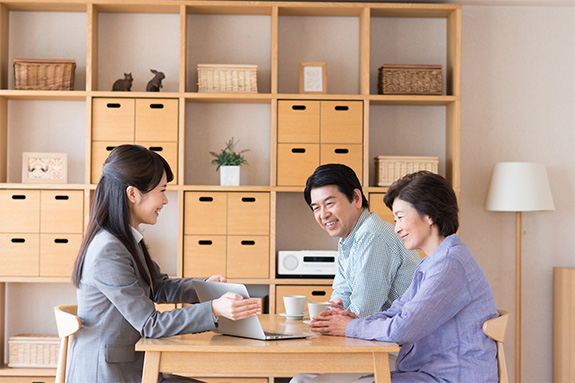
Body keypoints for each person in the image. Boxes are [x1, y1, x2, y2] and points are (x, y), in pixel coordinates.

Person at [69, 145, 261, 383]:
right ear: (133, 194)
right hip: (109, 375)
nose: (165, 200)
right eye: (162, 190)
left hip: (134, 366)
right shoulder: (108, 250)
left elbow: (158, 287)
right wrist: (213, 309)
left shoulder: (125, 240)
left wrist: (204, 287)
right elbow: (150, 324)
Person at [292, 171, 499, 383]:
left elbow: (403, 328)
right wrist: (356, 321)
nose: (397, 228)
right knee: (305, 380)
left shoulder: (450, 264)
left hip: (450, 377)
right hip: (423, 372)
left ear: (430, 215)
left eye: (400, 217)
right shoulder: (431, 263)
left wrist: (349, 326)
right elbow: (396, 312)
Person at [304, 164, 420, 318]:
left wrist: (335, 315)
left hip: (401, 337)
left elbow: (363, 312)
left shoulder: (372, 235)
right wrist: (336, 307)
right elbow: (341, 294)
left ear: (356, 198)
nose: (323, 215)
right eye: (316, 208)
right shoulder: (348, 238)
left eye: (329, 204)